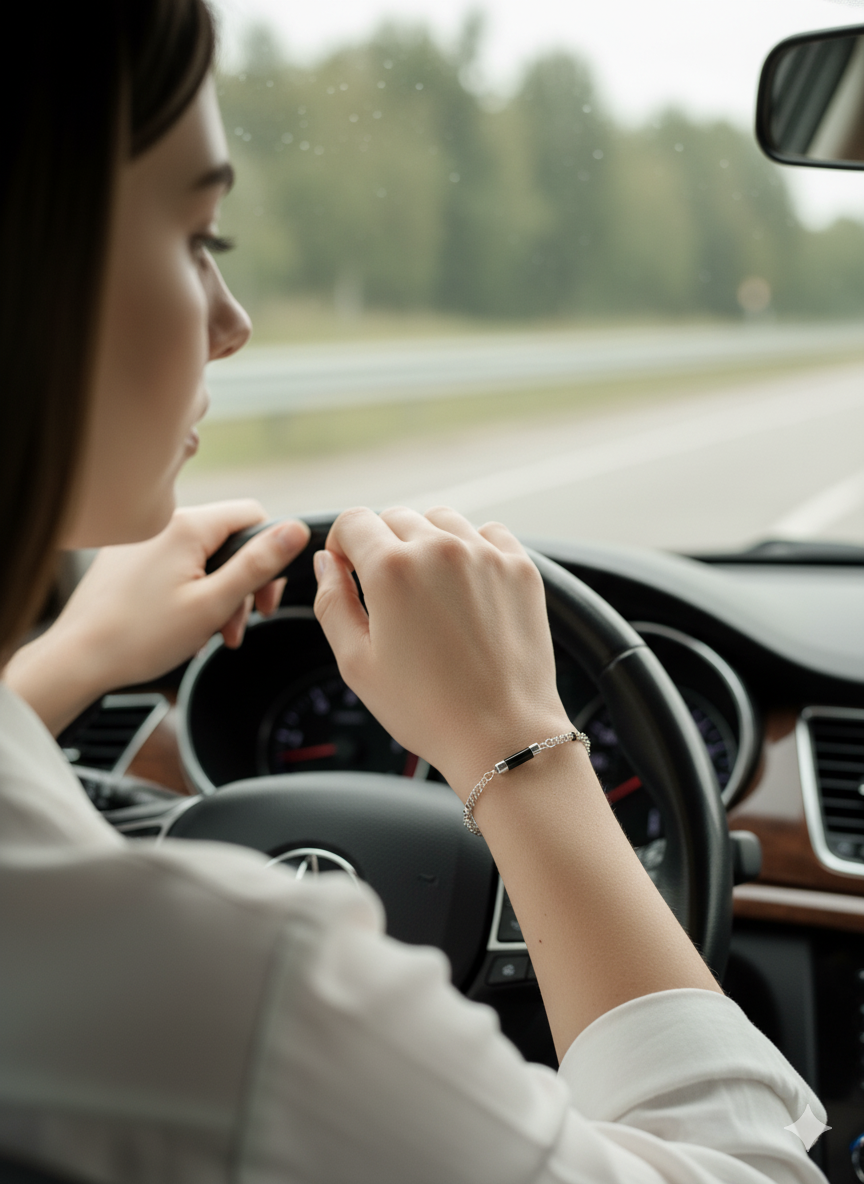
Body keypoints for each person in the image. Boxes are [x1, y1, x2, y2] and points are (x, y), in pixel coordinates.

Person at [0, 2, 829, 1181]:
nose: (231, 325)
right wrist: (525, 746)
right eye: (200, 238)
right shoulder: (242, 995)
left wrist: (55, 672)